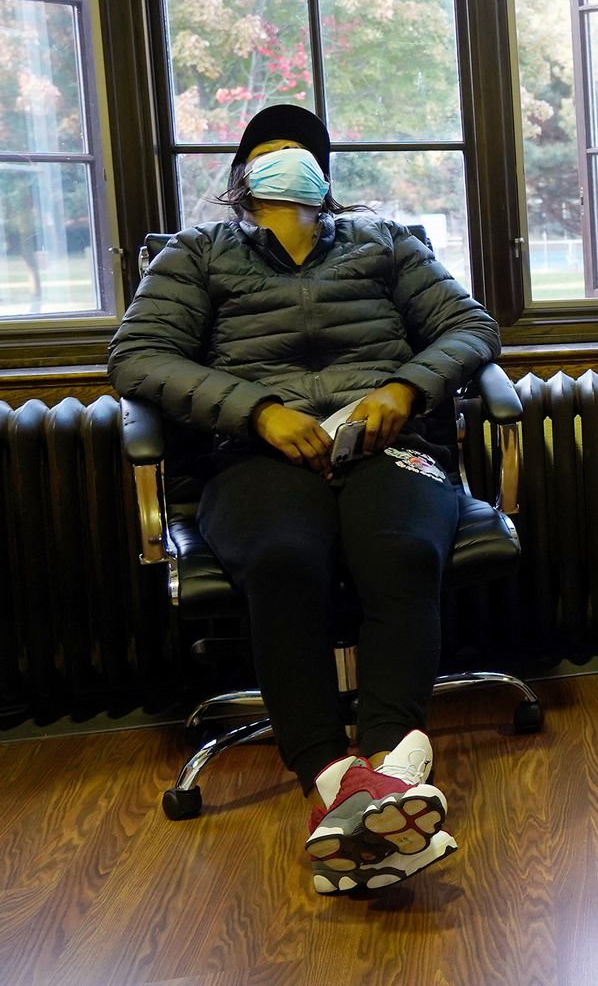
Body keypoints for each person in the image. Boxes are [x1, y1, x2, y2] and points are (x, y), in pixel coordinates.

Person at [108, 104, 500, 895]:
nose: (286, 161)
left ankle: (383, 767)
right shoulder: (195, 254)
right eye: (268, 151)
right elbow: (138, 355)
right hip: (254, 458)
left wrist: (404, 385)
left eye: (301, 152)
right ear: (241, 176)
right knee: (285, 557)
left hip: (391, 449)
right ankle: (338, 774)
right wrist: (257, 409)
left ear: (326, 176)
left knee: (403, 550)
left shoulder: (388, 242)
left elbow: (470, 328)